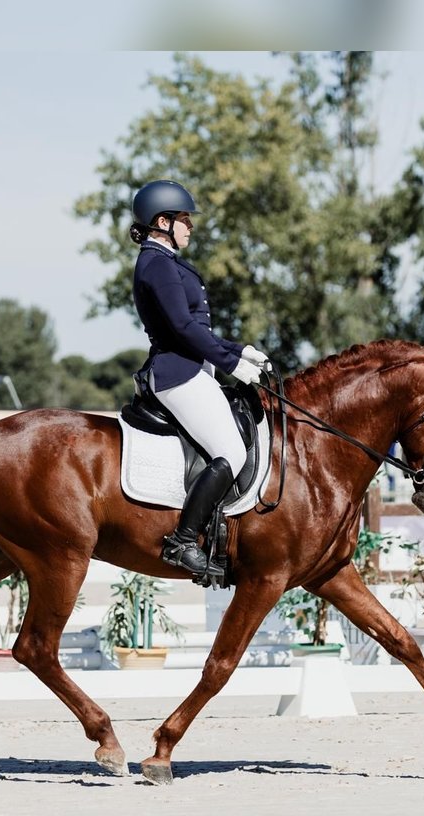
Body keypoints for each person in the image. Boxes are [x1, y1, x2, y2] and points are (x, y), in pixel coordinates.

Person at [129, 179, 269, 578]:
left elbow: (195, 327)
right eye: (184, 219)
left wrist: (238, 349)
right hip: (178, 373)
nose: (190, 226)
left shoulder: (166, 261)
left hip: (193, 368)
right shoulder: (156, 264)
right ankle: (183, 541)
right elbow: (182, 327)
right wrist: (228, 361)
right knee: (232, 451)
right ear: (162, 221)